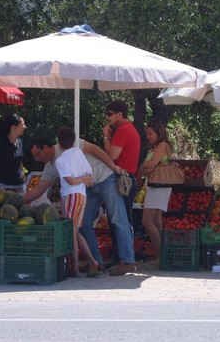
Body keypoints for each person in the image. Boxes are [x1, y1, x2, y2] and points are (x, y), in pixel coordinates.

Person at [27, 132, 137, 276]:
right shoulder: (50, 167)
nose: (37, 158)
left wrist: (114, 167)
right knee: (83, 224)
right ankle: (96, 263)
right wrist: (19, 200)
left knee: (118, 218)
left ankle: (128, 262)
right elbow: (38, 190)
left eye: (38, 154)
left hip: (106, 178)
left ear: (47, 147)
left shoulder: (69, 146)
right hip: (88, 189)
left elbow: (96, 150)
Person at [53, 127, 99, 277]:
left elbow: (70, 181)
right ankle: (90, 261)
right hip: (82, 195)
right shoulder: (79, 153)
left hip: (71, 196)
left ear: (58, 143)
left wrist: (79, 180)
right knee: (75, 231)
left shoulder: (60, 160)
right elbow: (89, 176)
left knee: (71, 231)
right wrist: (83, 180)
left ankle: (77, 266)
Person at [138, 120, 175, 262]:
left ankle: (160, 254)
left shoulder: (162, 146)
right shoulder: (157, 147)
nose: (148, 136)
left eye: (150, 133)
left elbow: (151, 164)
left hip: (158, 186)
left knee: (147, 221)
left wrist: (143, 166)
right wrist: (146, 167)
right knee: (156, 220)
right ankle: (162, 254)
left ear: (158, 134)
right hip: (156, 186)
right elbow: (150, 166)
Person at [102, 100, 141, 226]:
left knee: (118, 221)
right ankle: (125, 245)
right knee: (123, 219)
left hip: (122, 179)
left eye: (109, 114)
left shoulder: (123, 130)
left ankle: (123, 246)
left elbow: (112, 156)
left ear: (119, 114)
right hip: (128, 178)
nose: (107, 117)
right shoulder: (129, 129)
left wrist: (106, 137)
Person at [0, 113, 26, 196]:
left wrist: (22, 174)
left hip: (19, 187)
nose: (25, 127)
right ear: (13, 127)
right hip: (1, 187)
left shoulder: (20, 142)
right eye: (23, 124)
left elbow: (19, 161)